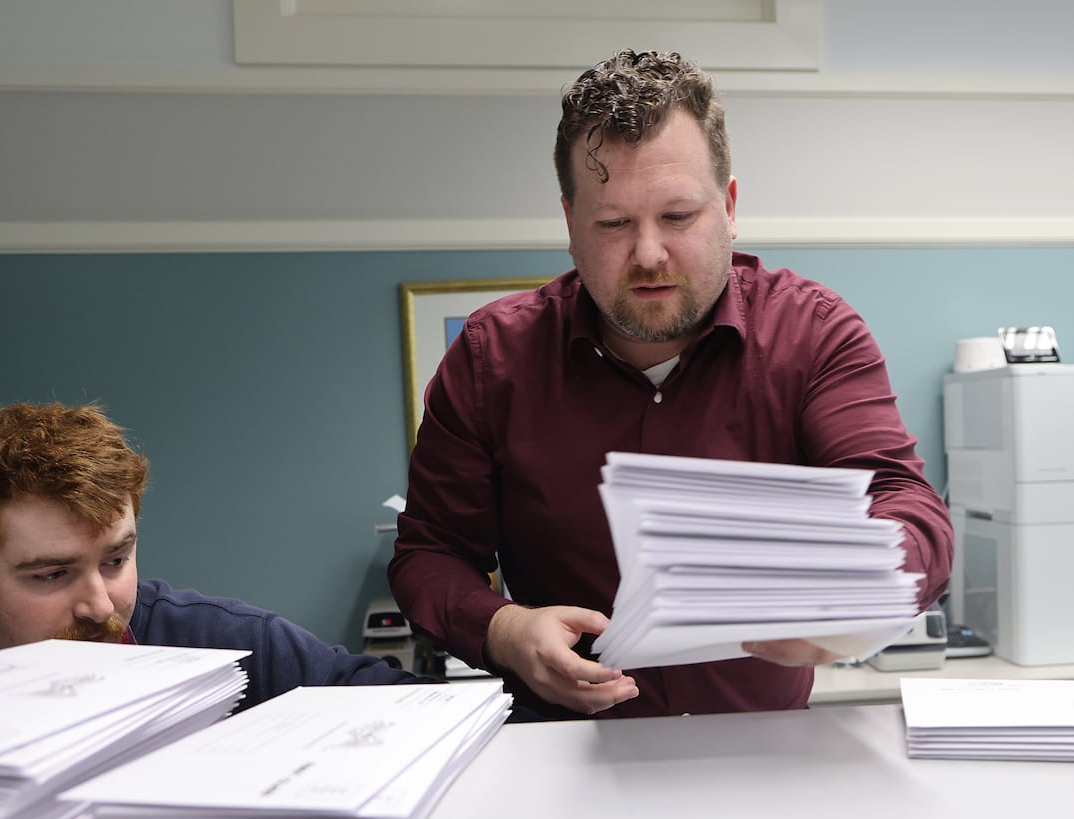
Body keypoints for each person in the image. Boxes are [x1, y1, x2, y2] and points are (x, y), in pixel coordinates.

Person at [389, 49, 953, 721]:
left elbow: (906, 505)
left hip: (765, 757)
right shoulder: (491, 358)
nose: (649, 254)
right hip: (566, 765)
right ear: (570, 224)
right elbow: (430, 554)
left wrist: (852, 593)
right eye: (613, 224)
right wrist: (505, 630)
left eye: (678, 217)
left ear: (730, 206)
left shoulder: (816, 335)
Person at [0, 402, 438, 713]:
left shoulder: (235, 646)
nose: (102, 608)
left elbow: (430, 714)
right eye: (53, 574)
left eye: (116, 560)